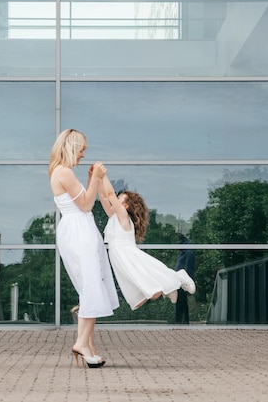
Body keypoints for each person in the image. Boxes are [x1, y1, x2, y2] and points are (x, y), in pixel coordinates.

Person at [49, 129, 119, 369]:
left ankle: (88, 347)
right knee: (92, 287)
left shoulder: (60, 172)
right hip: (80, 231)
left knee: (90, 288)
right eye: (81, 150)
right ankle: (81, 342)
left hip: (77, 229)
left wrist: (91, 180)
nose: (82, 155)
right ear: (71, 147)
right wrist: (98, 178)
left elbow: (82, 201)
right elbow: (87, 205)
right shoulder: (64, 173)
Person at [97, 174, 195, 311]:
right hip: (118, 259)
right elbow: (103, 196)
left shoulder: (123, 216)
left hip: (128, 255)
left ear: (125, 206)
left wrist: (103, 175)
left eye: (119, 199)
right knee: (138, 301)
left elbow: (109, 194)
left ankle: (178, 277)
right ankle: (169, 288)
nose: (115, 200)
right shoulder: (114, 217)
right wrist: (96, 179)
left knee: (154, 293)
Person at [174, 234, 196, 324]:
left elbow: (188, 269)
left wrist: (187, 282)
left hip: (183, 282)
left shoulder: (188, 254)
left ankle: (180, 321)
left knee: (181, 302)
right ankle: (182, 321)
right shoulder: (182, 254)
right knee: (181, 302)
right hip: (179, 281)